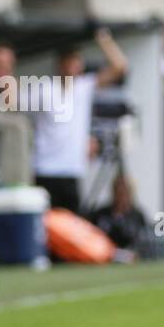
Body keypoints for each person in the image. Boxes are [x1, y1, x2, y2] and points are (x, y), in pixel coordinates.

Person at [32, 28, 127, 215]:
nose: (75, 66)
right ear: (61, 64)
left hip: (70, 169)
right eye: (71, 62)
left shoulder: (83, 87)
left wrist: (104, 40)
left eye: (77, 62)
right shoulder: (43, 88)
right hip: (44, 169)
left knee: (71, 228)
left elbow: (120, 67)